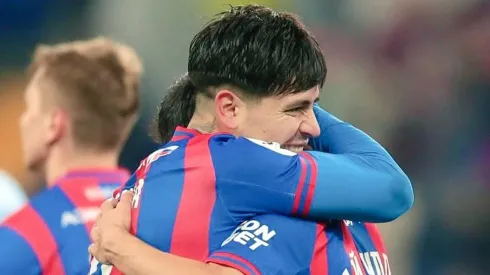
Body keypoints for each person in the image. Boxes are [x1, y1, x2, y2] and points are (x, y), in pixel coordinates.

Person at [89, 5, 413, 274]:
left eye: (314, 106)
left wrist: (119, 246)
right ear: (229, 109)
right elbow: (393, 189)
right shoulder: (244, 165)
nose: (314, 127)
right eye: (296, 108)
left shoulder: (137, 183)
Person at [0, 37, 142, 275]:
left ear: (53, 125)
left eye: (30, 109)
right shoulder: (159, 210)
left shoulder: (26, 235)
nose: (23, 121)